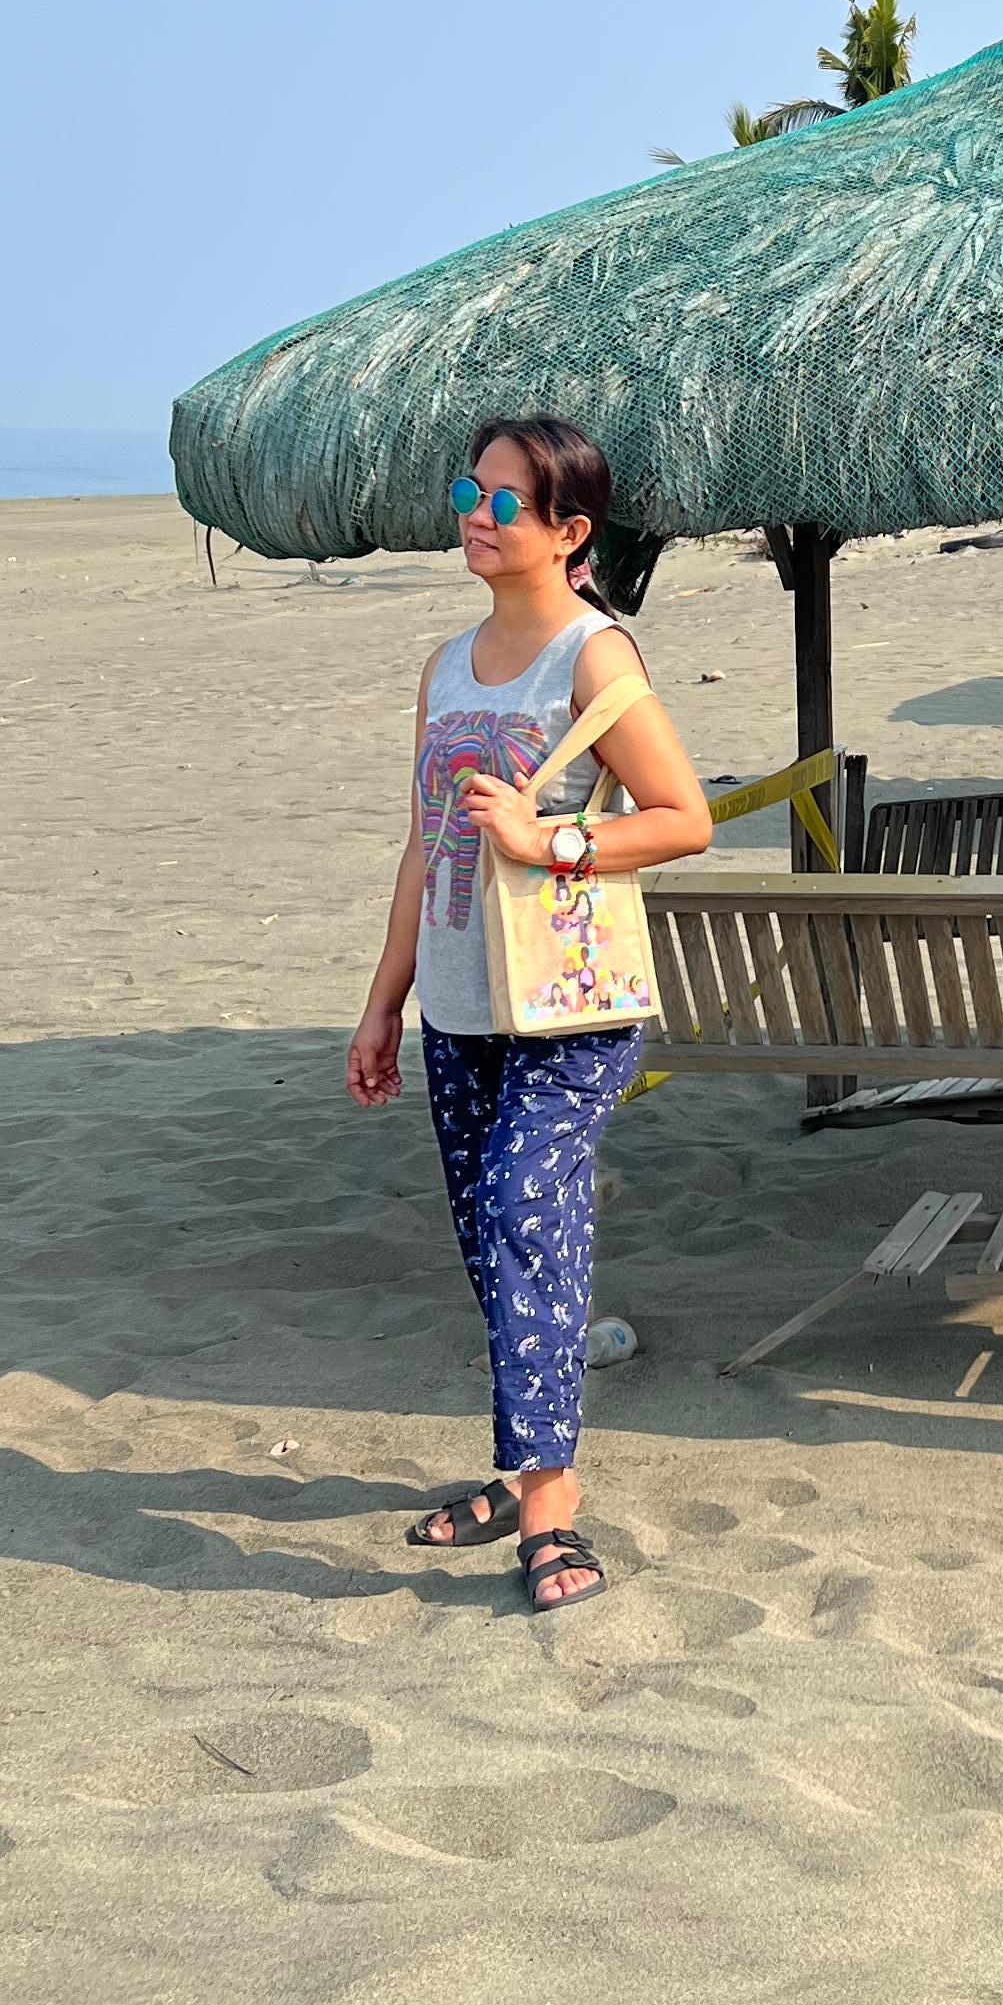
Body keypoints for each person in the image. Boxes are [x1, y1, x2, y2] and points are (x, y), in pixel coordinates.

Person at [348, 417, 712, 1613]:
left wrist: (550, 837)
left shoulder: (594, 660)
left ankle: (550, 1512)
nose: (475, 513)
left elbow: (681, 819)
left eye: (504, 501)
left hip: (569, 1011)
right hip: (459, 1003)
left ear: (569, 532)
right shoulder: (445, 665)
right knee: (488, 1238)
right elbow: (421, 844)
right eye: (470, 490)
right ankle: (523, 1470)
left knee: (522, 1210)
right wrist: (384, 1002)